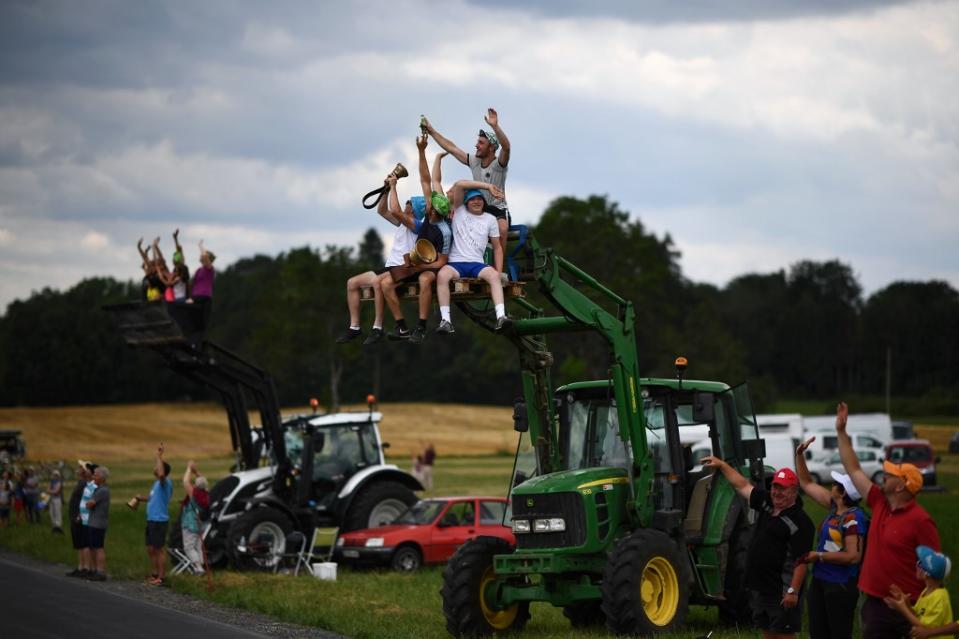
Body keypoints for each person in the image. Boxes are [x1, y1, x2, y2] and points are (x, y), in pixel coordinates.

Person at [835, 401, 941, 639]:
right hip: (874, 603)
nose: (884, 474)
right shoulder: (879, 501)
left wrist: (918, 606)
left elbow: (935, 570)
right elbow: (853, 468)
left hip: (907, 606)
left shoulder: (921, 521)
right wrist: (842, 432)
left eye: (891, 474)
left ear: (902, 485)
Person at [701, 455, 815, 639]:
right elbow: (742, 485)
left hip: (782, 591)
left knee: (784, 633)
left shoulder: (801, 522)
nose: (776, 492)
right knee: (767, 632)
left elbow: (801, 560)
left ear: (794, 492)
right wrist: (722, 465)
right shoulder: (767, 502)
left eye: (782, 489)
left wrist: (793, 592)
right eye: (775, 487)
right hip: (761, 588)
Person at [379, 140, 453, 343]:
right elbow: (425, 179)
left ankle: (421, 327)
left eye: (433, 211)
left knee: (424, 280)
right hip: (417, 260)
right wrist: (422, 151)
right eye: (430, 208)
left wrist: (418, 268)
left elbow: (442, 261)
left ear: (439, 213)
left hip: (432, 265)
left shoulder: (444, 231)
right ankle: (402, 327)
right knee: (385, 283)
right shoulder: (428, 216)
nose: (430, 211)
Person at [796, 436, 868, 639]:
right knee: (818, 633)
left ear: (844, 493)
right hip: (820, 581)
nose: (832, 485)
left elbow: (853, 556)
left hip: (840, 585)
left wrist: (818, 556)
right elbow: (806, 482)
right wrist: (799, 455)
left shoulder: (854, 518)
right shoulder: (834, 507)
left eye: (837, 484)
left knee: (838, 634)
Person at [337, 167, 418, 346]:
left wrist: (394, 186)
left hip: (403, 268)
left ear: (415, 211)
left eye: (409, 205)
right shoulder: (402, 224)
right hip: (390, 266)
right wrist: (385, 190)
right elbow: (382, 211)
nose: (405, 206)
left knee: (376, 283)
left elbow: (395, 210)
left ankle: (377, 327)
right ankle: (355, 327)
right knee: (352, 283)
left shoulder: (415, 225)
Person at [424, 108, 512, 260]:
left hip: (497, 209)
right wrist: (432, 132)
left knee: (502, 229)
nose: (476, 145)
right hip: (479, 206)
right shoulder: (474, 161)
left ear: (491, 147)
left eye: (481, 143)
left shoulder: (499, 164)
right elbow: (451, 147)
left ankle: (500, 270)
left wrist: (495, 127)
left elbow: (506, 147)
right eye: (477, 142)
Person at [434, 177, 509, 335]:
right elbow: (460, 184)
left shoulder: (490, 219)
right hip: (456, 263)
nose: (476, 202)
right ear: (466, 202)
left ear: (484, 202)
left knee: (494, 276)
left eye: (479, 199)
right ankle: (446, 320)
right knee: (442, 275)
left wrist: (499, 270)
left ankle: (501, 317)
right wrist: (488, 186)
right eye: (472, 199)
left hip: (477, 264)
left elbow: (497, 248)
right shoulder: (458, 211)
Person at [884, 546, 953, 639]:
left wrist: (902, 608)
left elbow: (924, 627)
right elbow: (917, 615)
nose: (916, 565)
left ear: (927, 573)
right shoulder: (927, 591)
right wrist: (905, 602)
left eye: (920, 563)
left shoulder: (939, 598)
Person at [134, 443, 173, 586]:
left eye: (157, 467)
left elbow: (162, 474)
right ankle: (155, 573)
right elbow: (153, 498)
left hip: (159, 520)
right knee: (150, 548)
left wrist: (158, 456)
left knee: (159, 549)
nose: (155, 468)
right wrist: (141, 498)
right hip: (151, 519)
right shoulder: (156, 484)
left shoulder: (165, 482)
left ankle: (162, 578)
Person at [180, 460, 210, 575]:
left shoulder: (193, 493)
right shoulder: (206, 493)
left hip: (190, 523)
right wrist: (195, 472)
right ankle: (201, 567)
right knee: (198, 546)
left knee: (188, 547)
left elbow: (185, 481)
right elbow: (203, 480)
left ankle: (198, 567)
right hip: (201, 524)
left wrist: (189, 468)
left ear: (196, 485)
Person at [66, 461, 95, 577]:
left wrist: (79, 514)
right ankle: (81, 566)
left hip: (80, 516)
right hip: (75, 516)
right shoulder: (81, 482)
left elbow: (84, 500)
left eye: (81, 468)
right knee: (78, 543)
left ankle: (86, 567)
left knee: (83, 543)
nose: (78, 469)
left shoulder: (85, 484)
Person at [85, 466, 110, 581]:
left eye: (96, 475)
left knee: (98, 547)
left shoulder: (103, 490)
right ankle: (94, 569)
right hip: (93, 522)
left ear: (102, 477)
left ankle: (100, 571)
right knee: (92, 547)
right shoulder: (98, 489)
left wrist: (89, 503)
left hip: (98, 523)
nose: (94, 477)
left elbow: (90, 504)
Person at [75, 461, 99, 578]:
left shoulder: (94, 486)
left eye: (89, 469)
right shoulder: (88, 484)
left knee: (89, 545)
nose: (87, 471)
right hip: (83, 518)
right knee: (84, 544)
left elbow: (92, 502)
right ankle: (85, 567)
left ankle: (90, 568)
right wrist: (79, 514)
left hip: (89, 519)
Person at [187, 239, 216, 329]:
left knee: (204, 321)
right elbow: (192, 284)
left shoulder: (209, 269)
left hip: (205, 297)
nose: (201, 256)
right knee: (195, 320)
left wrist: (200, 246)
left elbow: (206, 257)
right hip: (196, 296)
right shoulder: (199, 270)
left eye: (204, 255)